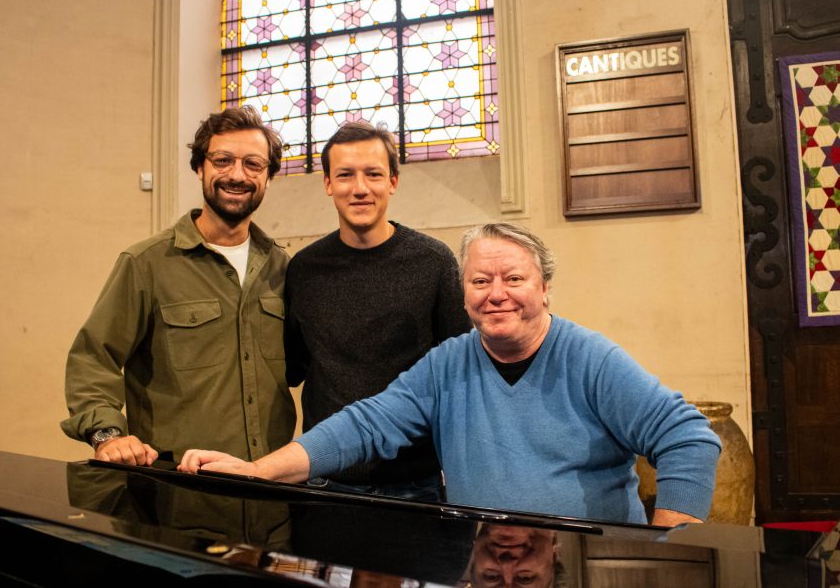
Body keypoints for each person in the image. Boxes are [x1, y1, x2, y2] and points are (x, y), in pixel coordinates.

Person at [179, 222, 722, 526]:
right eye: (480, 280)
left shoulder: (590, 358)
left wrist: (669, 548)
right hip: (482, 564)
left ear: (544, 288)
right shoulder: (448, 363)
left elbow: (687, 436)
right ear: (463, 295)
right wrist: (258, 472)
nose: (497, 293)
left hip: (579, 567)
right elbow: (367, 424)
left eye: (514, 277)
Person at [61, 106, 295, 466]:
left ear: (269, 176)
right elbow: (94, 357)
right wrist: (108, 436)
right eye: (222, 160)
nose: (237, 174)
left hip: (270, 479)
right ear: (199, 167)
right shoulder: (146, 263)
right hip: (179, 486)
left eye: (253, 164)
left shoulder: (283, 268)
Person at [283, 121, 472, 499]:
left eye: (373, 174)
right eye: (345, 175)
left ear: (393, 181)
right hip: (326, 480)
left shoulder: (433, 261)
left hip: (415, 480)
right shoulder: (303, 269)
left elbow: (460, 370)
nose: (360, 188)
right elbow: (294, 367)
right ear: (327, 184)